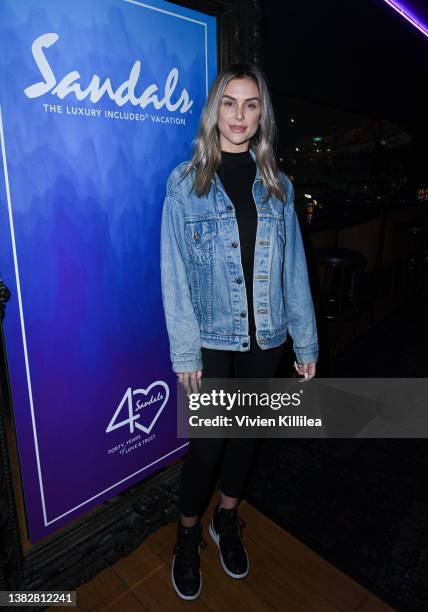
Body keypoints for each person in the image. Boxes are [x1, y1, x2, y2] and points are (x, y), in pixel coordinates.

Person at [160, 62, 318, 600]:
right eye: (230, 102)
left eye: (251, 105)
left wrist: (306, 340)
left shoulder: (279, 186)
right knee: (206, 448)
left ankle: (225, 520)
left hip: (267, 338)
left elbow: (293, 269)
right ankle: (185, 537)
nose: (240, 115)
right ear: (214, 110)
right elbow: (174, 274)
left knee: (247, 438)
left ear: (261, 116)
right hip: (209, 340)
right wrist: (184, 350)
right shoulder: (185, 185)